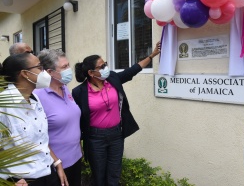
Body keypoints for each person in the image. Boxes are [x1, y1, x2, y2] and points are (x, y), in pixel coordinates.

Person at [72, 41, 161, 186]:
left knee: (114, 174)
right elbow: (76, 119)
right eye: (102, 66)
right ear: (91, 73)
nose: (106, 68)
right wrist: (78, 143)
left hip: (116, 135)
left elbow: (132, 70)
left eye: (105, 64)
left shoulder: (112, 78)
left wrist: (152, 55)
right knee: (99, 175)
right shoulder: (79, 92)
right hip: (95, 139)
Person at [0, 53, 68, 186]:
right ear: (25, 74)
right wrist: (8, 179)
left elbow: (40, 140)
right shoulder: (4, 106)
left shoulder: (34, 99)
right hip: (23, 180)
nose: (44, 72)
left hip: (48, 172)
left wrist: (57, 163)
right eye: (40, 67)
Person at [33, 49, 82, 186]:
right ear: (49, 72)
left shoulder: (65, 88)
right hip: (56, 166)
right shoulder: (38, 96)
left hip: (75, 158)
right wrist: (57, 162)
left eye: (68, 65)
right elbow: (36, 136)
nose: (69, 70)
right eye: (64, 67)